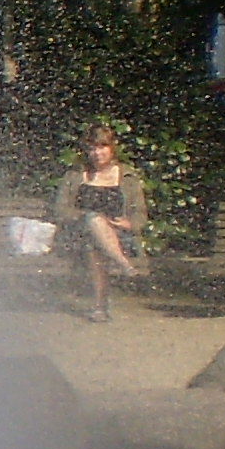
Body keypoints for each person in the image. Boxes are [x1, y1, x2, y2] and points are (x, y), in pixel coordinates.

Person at [54, 122, 150, 321]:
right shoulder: (75, 176)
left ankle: (100, 307)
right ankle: (124, 266)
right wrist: (84, 218)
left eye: (102, 147)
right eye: (92, 148)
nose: (97, 153)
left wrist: (129, 223)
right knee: (93, 222)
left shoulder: (128, 177)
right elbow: (61, 210)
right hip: (78, 235)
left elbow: (140, 213)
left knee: (95, 243)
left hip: (120, 237)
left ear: (112, 148)